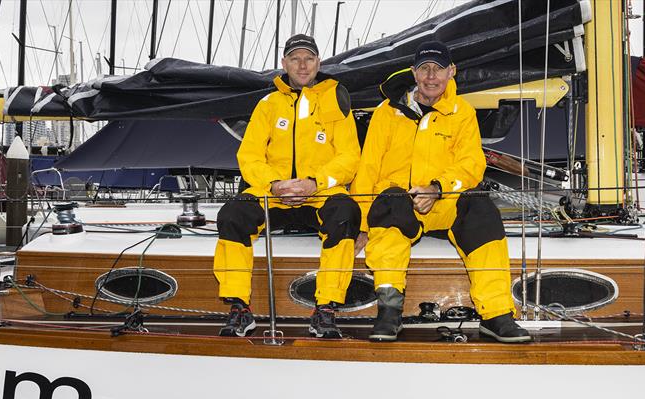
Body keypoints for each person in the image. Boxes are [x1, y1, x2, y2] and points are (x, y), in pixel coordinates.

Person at [351, 41, 530, 343]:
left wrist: (438, 188)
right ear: (414, 73)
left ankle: (496, 314)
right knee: (389, 203)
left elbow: (471, 165)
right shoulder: (387, 112)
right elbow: (368, 167)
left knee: (483, 211)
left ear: (451, 71)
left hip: (445, 201)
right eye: (424, 69)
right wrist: (362, 225)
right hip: (401, 204)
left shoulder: (462, 113)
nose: (431, 76)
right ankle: (390, 312)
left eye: (438, 68)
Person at [213, 34, 361, 338]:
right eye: (295, 58)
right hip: (274, 195)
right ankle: (239, 306)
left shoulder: (336, 101)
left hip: (319, 194)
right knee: (232, 214)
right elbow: (249, 155)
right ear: (284, 64)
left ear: (319, 62)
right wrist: (274, 184)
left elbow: (349, 156)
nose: (303, 65)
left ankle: (326, 307)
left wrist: (315, 183)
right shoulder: (268, 105)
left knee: (345, 212)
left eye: (309, 58)